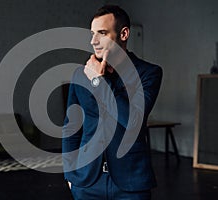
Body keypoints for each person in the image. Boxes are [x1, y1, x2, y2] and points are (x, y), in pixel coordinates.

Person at [62, 5, 162, 200]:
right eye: (92, 34)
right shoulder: (79, 75)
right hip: (86, 183)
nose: (93, 41)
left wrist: (99, 81)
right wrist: (70, 174)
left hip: (131, 184)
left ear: (124, 34)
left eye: (102, 33)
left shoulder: (148, 73)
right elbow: (71, 128)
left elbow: (133, 120)